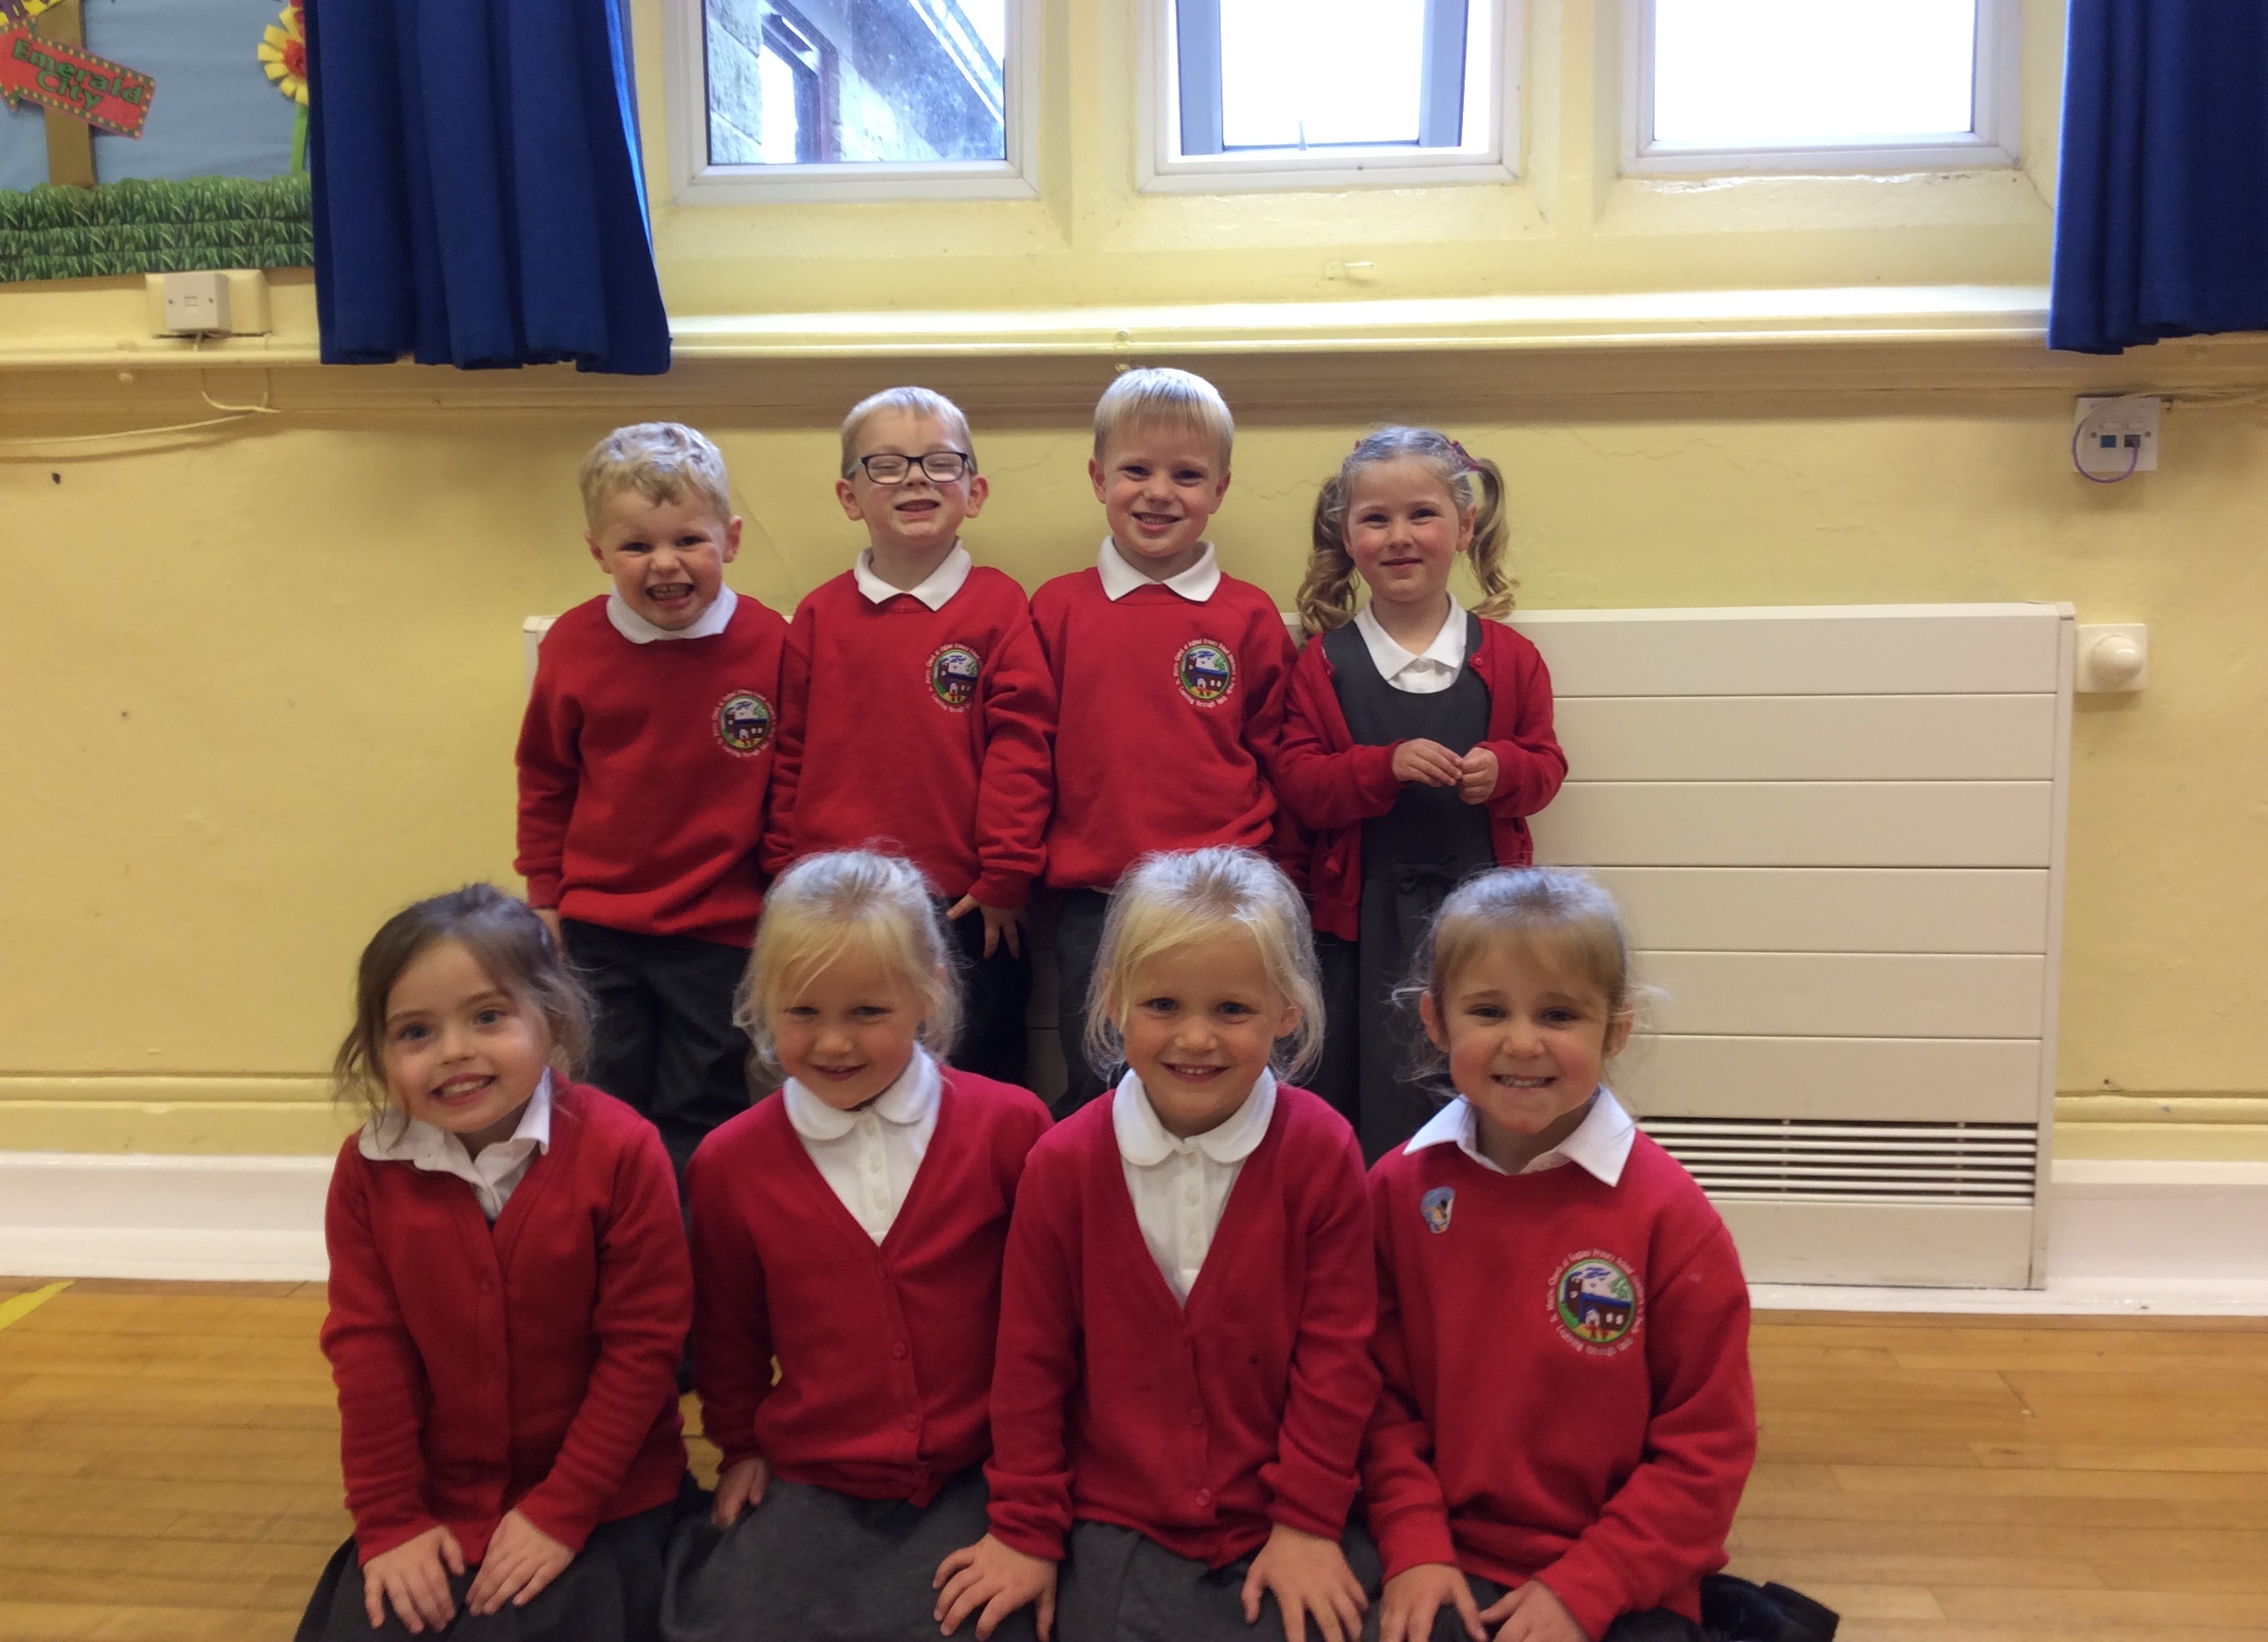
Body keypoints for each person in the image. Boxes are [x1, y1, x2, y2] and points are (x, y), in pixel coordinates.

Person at [937, 847, 1377, 1642]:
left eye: (1232, 1009)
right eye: (1164, 1004)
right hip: (1114, 1513)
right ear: (1113, 1000)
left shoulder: (1323, 1152)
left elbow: (1337, 1356)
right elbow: (1031, 1359)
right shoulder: (1063, 1163)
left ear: (1286, 1010)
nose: (1196, 1038)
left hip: (1287, 1512)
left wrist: (1309, 1520)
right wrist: (1026, 1529)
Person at [662, 850, 1052, 1642]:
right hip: (817, 1470)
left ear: (928, 992)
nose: (833, 1042)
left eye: (868, 1011)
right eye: (803, 1012)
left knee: (986, 1618)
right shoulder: (731, 1164)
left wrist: (1031, 1493)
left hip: (986, 1465)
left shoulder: (1010, 1128)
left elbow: (1047, 1323)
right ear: (765, 1003)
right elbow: (731, 1332)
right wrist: (739, 1447)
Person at [1362, 870, 1754, 1642]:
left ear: (1616, 1029)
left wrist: (1586, 1587)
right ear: (1436, 1020)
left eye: (1559, 1014)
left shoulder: (1672, 1218)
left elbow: (1707, 1451)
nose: (1522, 1041)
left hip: (1617, 1577)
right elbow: (1374, 1398)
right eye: (1488, 1011)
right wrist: (1413, 1539)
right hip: (1435, 1553)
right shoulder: (1397, 1191)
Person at [298, 885, 692, 1642]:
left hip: (606, 1494)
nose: (454, 1050)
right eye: (416, 1031)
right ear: (378, 1052)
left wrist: (560, 1510)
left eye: (487, 1016)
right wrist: (389, 1520)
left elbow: (643, 1350)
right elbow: (369, 1351)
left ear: (552, 1015)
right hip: (439, 1504)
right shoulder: (368, 1170)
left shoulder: (622, 1150)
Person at [1279, 428, 1565, 1161]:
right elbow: (1302, 785)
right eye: (1376, 519)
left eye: (1422, 514)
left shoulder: (1511, 660)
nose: (1399, 536)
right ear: (1347, 536)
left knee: (1475, 1071)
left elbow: (1546, 766)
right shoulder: (1325, 665)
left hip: (1482, 917)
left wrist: (1504, 769)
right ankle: (1378, 1204)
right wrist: (1382, 767)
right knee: (1371, 1085)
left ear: (1464, 527)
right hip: (1362, 925)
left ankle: (1478, 1195)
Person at [516, 422, 790, 1179]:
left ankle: (694, 1234)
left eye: (689, 540)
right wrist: (546, 897)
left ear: (731, 539)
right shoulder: (574, 646)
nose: (665, 563)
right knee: (605, 1096)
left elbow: (795, 782)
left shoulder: (773, 643)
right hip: (601, 927)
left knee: (704, 1098)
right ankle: (613, 1228)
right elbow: (546, 778)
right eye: (637, 546)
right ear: (598, 551)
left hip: (724, 927)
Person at [760, 388, 1055, 1085]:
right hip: (835, 899)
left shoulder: (1001, 606)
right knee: (844, 1061)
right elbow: (789, 751)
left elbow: (1022, 746)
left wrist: (1006, 873)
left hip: (967, 902)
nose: (916, 479)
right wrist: (783, 873)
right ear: (849, 496)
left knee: (977, 1068)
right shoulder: (819, 616)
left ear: (974, 491)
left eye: (939, 462)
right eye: (887, 464)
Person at [1031, 369, 1299, 1114]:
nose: (1159, 493)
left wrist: (1286, 883)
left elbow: (1279, 757)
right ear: (1098, 478)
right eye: (1136, 471)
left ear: (1219, 488)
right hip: (1098, 903)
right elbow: (1026, 752)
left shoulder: (1248, 614)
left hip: (1227, 900)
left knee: (1226, 1080)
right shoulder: (1055, 608)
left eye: (1186, 475)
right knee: (1099, 1086)